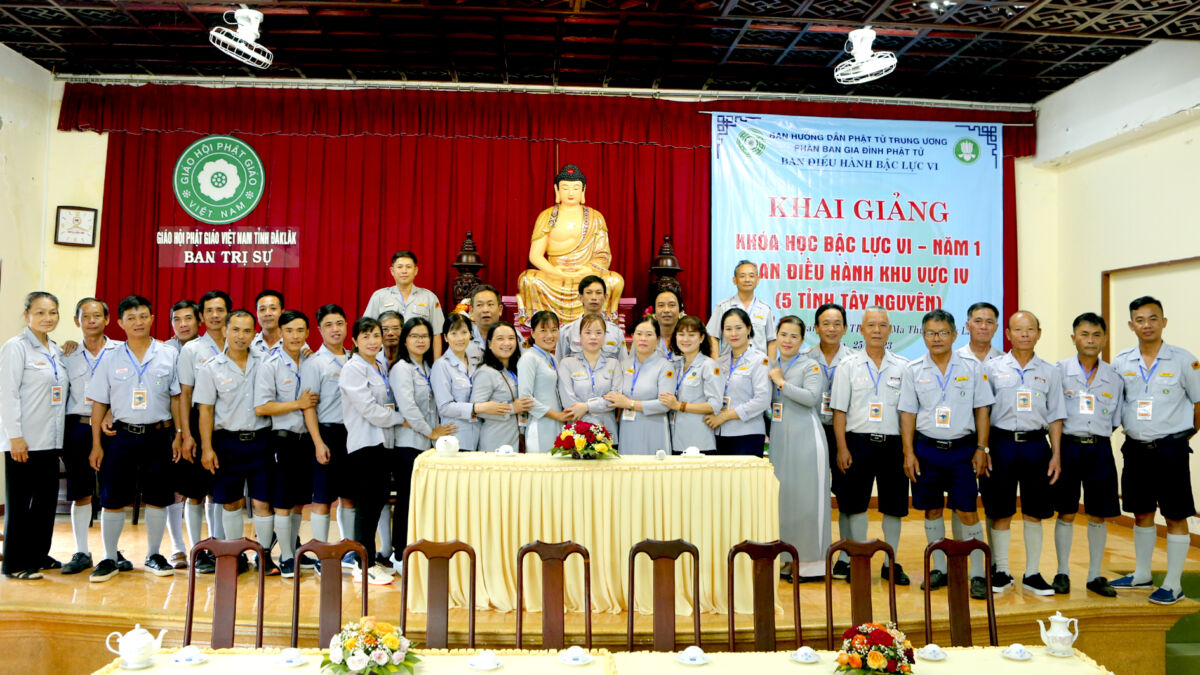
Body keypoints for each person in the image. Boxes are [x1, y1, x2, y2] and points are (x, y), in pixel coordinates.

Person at [87, 295, 184, 582]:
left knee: (158, 498)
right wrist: (96, 444)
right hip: (121, 437)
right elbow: (99, 403)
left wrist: (179, 435)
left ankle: (154, 554)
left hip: (159, 435)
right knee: (112, 498)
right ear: (120, 323)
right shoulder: (109, 357)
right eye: (131, 318)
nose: (138, 322)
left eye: (143, 316)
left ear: (152, 318)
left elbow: (177, 398)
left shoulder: (168, 354)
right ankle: (109, 557)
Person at [1110, 296, 1200, 606]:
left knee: (1175, 515)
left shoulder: (1184, 360)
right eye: (1140, 320)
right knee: (1141, 513)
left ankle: (1173, 584)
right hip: (1136, 450)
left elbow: (1198, 405)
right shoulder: (1122, 361)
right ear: (1131, 325)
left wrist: (1183, 436)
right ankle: (1141, 574)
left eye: (1153, 318)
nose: (1146, 325)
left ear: (1164, 322)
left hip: (1171, 450)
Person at [899, 309, 993, 601]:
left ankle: (978, 574)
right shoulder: (914, 369)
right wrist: (909, 453)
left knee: (967, 510)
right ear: (923, 335)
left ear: (954, 334)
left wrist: (982, 448)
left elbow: (982, 410)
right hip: (927, 450)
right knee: (932, 509)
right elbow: (908, 413)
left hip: (962, 450)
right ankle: (939, 568)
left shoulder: (972, 367)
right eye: (931, 333)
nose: (936, 338)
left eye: (942, 333)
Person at [980, 310, 1065, 597]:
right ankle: (1002, 571)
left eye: (1030, 329)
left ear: (1039, 333)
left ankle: (1032, 573)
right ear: (1008, 334)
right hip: (1001, 444)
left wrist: (1056, 454)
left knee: (1034, 511)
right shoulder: (992, 368)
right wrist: (984, 448)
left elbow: (1056, 416)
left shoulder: (1050, 372)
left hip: (1036, 445)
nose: (1025, 334)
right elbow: (983, 412)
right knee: (1000, 509)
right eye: (1018, 329)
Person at [831, 307, 911, 585]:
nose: (877, 330)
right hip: (858, 443)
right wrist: (842, 448)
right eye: (871, 325)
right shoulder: (848, 366)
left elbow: (908, 413)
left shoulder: (903, 366)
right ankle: (859, 560)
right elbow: (839, 411)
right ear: (861, 330)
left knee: (894, 506)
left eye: (882, 325)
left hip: (894, 445)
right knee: (855, 505)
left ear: (890, 330)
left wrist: (908, 451)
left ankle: (891, 562)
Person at [195, 310, 277, 575]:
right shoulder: (211, 368)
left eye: (247, 331)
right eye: (236, 330)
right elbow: (206, 410)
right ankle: (233, 554)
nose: (241, 336)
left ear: (254, 334)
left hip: (261, 441)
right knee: (231, 502)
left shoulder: (267, 362)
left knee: (262, 503)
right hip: (226, 443)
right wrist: (207, 448)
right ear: (225, 331)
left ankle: (264, 555)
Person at [1052, 312, 1123, 598]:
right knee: (1066, 511)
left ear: (1104, 339)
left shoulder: (1114, 377)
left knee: (1098, 513)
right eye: (1084, 334)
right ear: (1074, 338)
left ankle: (1095, 575)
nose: (1090, 340)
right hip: (1068, 447)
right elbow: (1052, 413)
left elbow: (1116, 418)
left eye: (1096, 335)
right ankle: (1062, 572)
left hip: (1099, 448)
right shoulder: (1058, 371)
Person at [0, 292, 67, 580]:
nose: (47, 318)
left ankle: (38, 555)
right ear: (27, 315)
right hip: (24, 441)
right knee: (20, 504)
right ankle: (15, 563)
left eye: (52, 312)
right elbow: (7, 394)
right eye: (40, 312)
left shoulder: (56, 350)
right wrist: (14, 436)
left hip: (50, 441)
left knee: (45, 503)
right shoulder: (16, 347)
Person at [338, 317, 404, 585]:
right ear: (354, 341)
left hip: (383, 443)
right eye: (365, 336)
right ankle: (361, 564)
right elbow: (369, 410)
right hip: (365, 444)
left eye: (376, 335)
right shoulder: (353, 369)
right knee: (366, 506)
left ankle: (370, 560)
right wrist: (401, 419)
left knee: (377, 503)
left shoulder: (379, 364)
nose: (372, 341)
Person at [253, 309, 318, 578]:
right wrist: (297, 404)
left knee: (299, 502)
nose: (295, 336)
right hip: (282, 441)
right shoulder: (270, 365)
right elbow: (261, 407)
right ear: (280, 333)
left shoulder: (310, 362)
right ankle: (287, 557)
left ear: (307, 333)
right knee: (282, 502)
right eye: (289, 330)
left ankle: (293, 550)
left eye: (300, 330)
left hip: (306, 441)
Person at [516, 164, 624, 323]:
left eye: (576, 188)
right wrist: (555, 272)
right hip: (554, 277)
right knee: (527, 278)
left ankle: (598, 319)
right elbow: (535, 255)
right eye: (565, 188)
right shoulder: (547, 216)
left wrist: (588, 269)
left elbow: (604, 255)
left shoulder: (595, 217)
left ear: (583, 190)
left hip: (586, 277)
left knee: (615, 280)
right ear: (557, 190)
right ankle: (541, 320)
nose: (571, 192)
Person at [59, 297, 121, 575]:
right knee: (80, 491)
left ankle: (111, 553)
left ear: (107, 319)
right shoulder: (67, 355)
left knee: (112, 491)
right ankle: (81, 551)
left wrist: (111, 412)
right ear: (77, 321)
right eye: (86, 316)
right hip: (78, 427)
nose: (92, 320)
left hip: (112, 427)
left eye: (97, 315)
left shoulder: (121, 351)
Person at [389, 317, 456, 567]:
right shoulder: (401, 368)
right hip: (407, 444)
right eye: (414, 336)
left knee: (421, 500)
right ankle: (399, 553)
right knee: (406, 499)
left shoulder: (428, 367)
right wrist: (430, 432)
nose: (420, 341)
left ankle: (417, 548)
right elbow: (408, 407)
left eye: (425, 336)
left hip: (426, 446)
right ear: (405, 340)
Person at [768, 316, 829, 582]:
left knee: (808, 501)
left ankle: (811, 564)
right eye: (783, 334)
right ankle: (788, 558)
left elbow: (811, 398)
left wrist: (781, 382)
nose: (788, 340)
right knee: (785, 501)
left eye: (794, 336)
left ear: (802, 340)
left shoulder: (810, 365)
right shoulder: (771, 364)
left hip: (807, 440)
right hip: (780, 439)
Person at [176, 289, 232, 572]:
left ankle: (219, 546)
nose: (214, 315)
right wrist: (186, 434)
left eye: (220, 310)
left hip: (228, 424)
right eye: (209, 311)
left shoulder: (240, 343)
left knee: (220, 491)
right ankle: (197, 549)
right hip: (199, 423)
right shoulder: (192, 349)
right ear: (201, 316)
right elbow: (184, 395)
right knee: (195, 492)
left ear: (228, 313)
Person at [300, 305, 354, 558]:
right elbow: (308, 407)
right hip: (327, 434)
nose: (335, 329)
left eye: (339, 323)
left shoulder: (356, 358)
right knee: (322, 498)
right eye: (329, 325)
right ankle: (321, 552)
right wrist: (318, 443)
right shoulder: (315, 363)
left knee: (350, 496)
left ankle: (349, 549)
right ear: (320, 330)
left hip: (354, 435)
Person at [807, 303, 855, 578]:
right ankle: (813, 554)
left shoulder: (854, 360)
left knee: (847, 496)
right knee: (813, 495)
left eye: (837, 323)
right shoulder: (805, 358)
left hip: (843, 435)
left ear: (845, 328)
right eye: (826, 323)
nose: (832, 328)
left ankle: (846, 556)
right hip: (812, 432)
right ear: (816, 328)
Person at [163, 298, 201, 569]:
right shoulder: (163, 350)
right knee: (175, 490)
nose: (183, 324)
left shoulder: (212, 346)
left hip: (203, 422)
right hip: (171, 426)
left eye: (188, 318)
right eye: (177, 319)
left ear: (198, 320)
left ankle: (206, 546)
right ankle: (177, 547)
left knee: (203, 490)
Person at [706, 308, 770, 456]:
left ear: (749, 329)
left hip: (747, 433)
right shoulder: (719, 362)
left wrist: (725, 416)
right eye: (728, 329)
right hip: (719, 433)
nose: (733, 333)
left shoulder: (760, 360)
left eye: (738, 328)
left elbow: (762, 400)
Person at [607, 315, 673, 455]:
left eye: (649, 334)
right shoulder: (624, 365)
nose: (643, 338)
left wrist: (630, 404)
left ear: (657, 339)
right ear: (632, 337)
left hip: (654, 428)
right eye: (639, 334)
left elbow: (664, 405)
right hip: (627, 428)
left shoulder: (665, 367)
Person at [363, 251, 446, 358]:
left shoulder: (429, 297)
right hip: (385, 358)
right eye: (400, 267)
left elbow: (436, 334)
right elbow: (367, 329)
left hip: (419, 359)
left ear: (415, 270)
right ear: (392, 271)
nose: (404, 271)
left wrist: (436, 364)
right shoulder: (379, 296)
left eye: (408, 267)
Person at [658, 316, 723, 454]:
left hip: (699, 441)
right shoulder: (675, 365)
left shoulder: (708, 365)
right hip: (675, 439)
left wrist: (680, 406)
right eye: (681, 334)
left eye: (691, 335)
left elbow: (715, 405)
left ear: (701, 338)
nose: (685, 339)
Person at [558, 313, 622, 444]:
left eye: (598, 333)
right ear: (580, 336)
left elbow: (615, 399)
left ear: (604, 336)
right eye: (588, 332)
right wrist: (593, 423)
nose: (593, 337)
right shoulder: (567, 364)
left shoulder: (614, 364)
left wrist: (587, 406)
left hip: (608, 433)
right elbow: (569, 403)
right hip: (577, 435)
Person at [471, 322, 533, 452]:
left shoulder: (515, 369)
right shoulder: (486, 372)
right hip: (495, 440)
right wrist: (512, 408)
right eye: (500, 339)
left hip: (516, 439)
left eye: (511, 338)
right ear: (489, 343)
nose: (507, 343)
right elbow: (477, 409)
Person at [519, 311, 573, 453]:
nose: (549, 335)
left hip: (556, 423)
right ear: (532, 333)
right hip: (540, 424)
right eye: (543, 330)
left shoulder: (552, 358)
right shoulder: (529, 358)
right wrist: (557, 415)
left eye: (554, 330)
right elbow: (525, 399)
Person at [431, 314, 482, 452]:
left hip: (478, 436)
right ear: (445, 337)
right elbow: (444, 407)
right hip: (454, 438)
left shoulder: (475, 363)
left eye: (464, 332)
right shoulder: (441, 365)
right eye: (454, 333)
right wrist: (476, 408)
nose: (460, 338)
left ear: (470, 335)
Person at [707, 260, 776, 355]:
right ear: (735, 280)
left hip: (758, 363)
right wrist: (716, 363)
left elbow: (772, 341)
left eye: (751, 276)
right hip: (729, 363)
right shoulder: (723, 307)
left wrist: (769, 364)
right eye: (742, 276)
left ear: (758, 280)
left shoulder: (765, 309)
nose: (747, 280)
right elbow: (712, 337)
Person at [555, 276, 627, 362]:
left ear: (605, 297)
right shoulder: (567, 332)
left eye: (598, 293)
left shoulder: (616, 332)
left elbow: (623, 365)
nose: (594, 297)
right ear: (580, 297)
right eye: (589, 292)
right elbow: (560, 364)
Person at [466, 285, 503, 363]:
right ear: (472, 311)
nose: (485, 310)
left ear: (500, 310)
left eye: (490, 304)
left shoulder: (513, 336)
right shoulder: (463, 338)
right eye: (479, 305)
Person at [652, 288, 683, 365]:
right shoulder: (646, 338)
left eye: (672, 305)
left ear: (680, 310)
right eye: (661, 305)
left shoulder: (689, 339)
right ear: (654, 312)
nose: (666, 310)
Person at [250, 289, 285, 355]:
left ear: (282, 312)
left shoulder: (293, 343)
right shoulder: (249, 344)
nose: (267, 313)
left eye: (273, 308)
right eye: (262, 309)